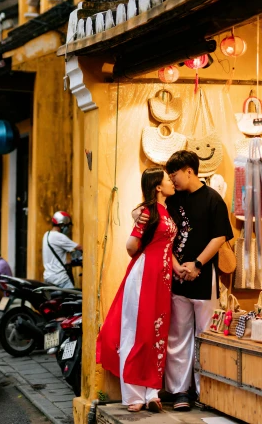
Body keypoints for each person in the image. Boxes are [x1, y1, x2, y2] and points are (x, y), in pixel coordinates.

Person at [132, 151, 233, 411]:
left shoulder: (213, 199)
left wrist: (197, 263)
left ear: (189, 170)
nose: (172, 180)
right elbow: (150, 218)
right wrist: (179, 268)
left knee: (205, 334)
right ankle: (179, 392)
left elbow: (220, 236)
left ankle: (206, 390)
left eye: (174, 174)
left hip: (203, 278)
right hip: (174, 277)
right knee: (177, 335)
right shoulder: (172, 201)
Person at [98, 168, 178, 412]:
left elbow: (166, 245)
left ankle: (152, 392)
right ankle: (133, 395)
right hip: (144, 275)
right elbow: (131, 246)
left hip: (162, 279)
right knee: (135, 332)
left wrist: (177, 268)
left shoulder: (164, 211)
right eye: (167, 179)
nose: (171, 182)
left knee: (157, 334)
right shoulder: (147, 212)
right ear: (157, 186)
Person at [41, 211, 82, 288]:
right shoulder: (59, 237)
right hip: (59, 278)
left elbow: (55, 258)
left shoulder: (46, 235)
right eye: (67, 226)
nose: (68, 229)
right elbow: (79, 247)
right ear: (62, 225)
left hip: (48, 276)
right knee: (73, 296)